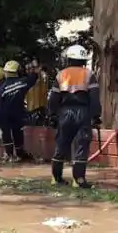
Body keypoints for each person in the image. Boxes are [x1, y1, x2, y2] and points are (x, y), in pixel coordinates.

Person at [46, 45, 101, 188]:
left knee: (61, 144)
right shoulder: (89, 74)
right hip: (83, 113)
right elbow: (94, 98)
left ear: (69, 59)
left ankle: (56, 178)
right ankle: (79, 180)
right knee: (81, 145)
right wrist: (96, 116)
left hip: (65, 113)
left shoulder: (61, 75)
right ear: (83, 60)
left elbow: (53, 98)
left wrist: (52, 115)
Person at [0, 60, 41, 162]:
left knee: (6, 133)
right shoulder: (23, 82)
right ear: (18, 71)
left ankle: (9, 155)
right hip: (18, 113)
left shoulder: (3, 86)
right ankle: (19, 154)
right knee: (18, 132)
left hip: (4, 114)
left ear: (6, 72)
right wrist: (34, 70)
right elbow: (33, 78)